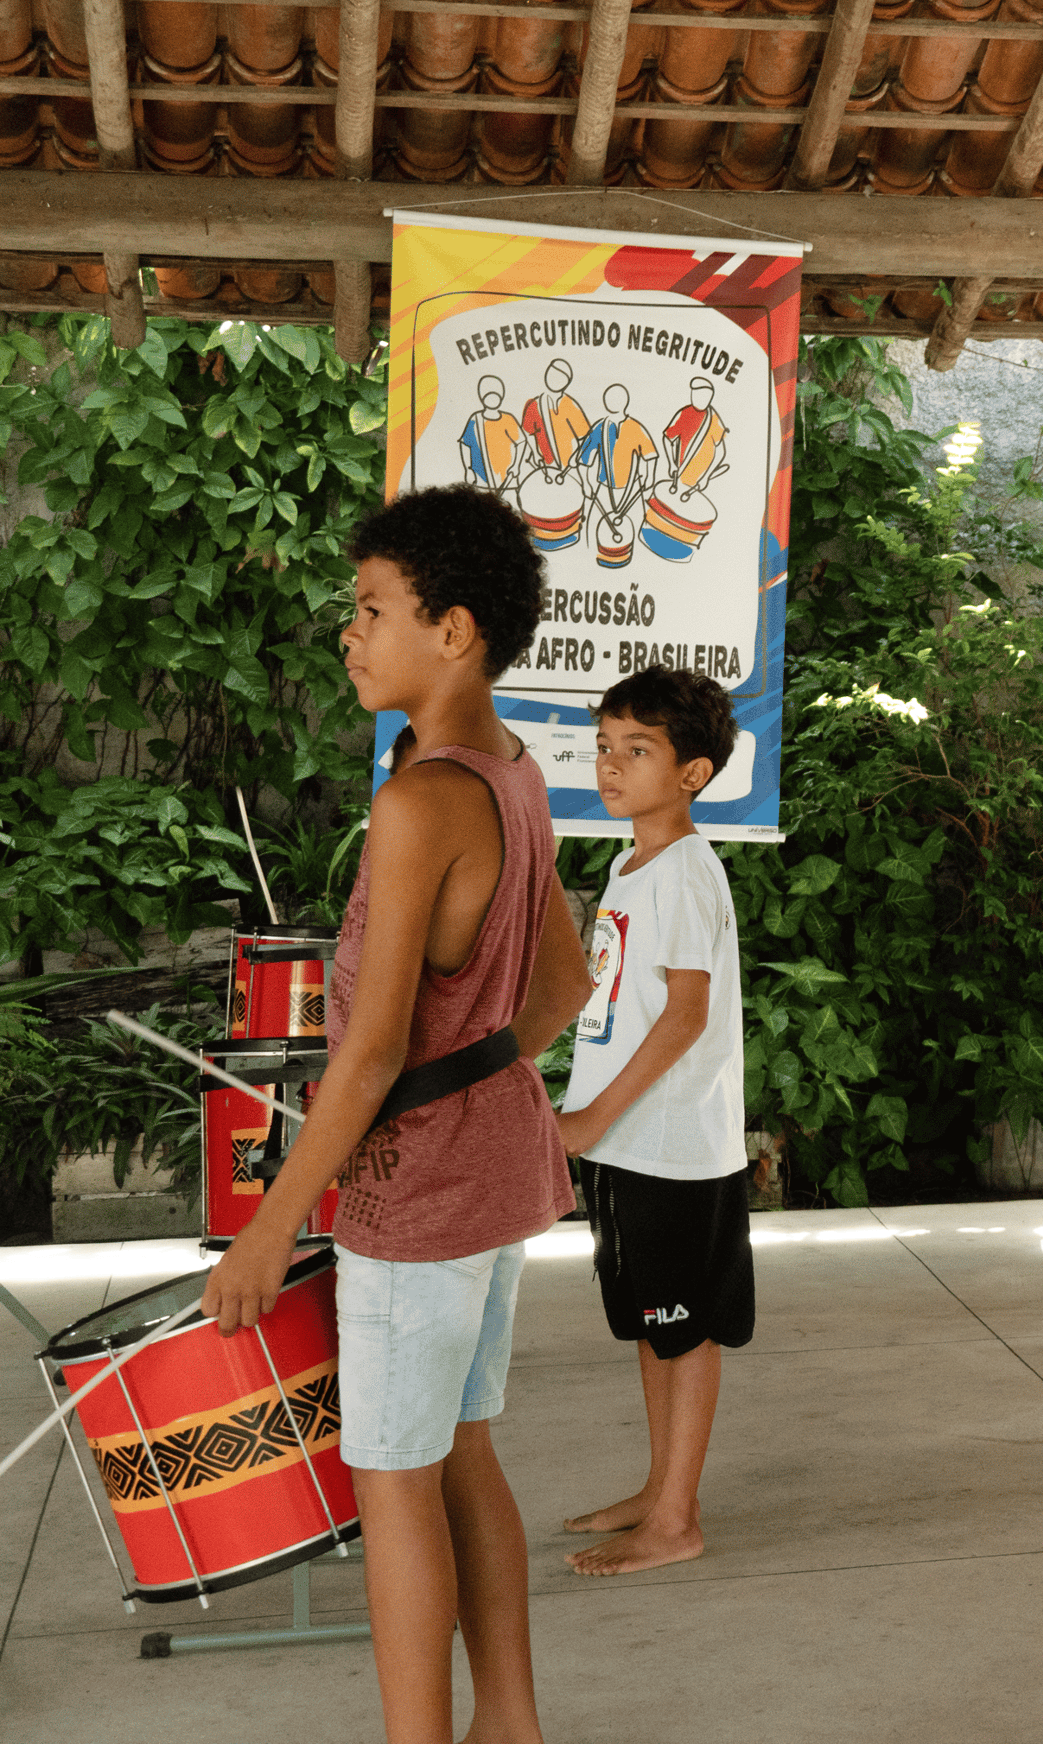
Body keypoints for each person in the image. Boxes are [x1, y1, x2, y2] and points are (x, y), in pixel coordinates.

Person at [199, 483, 594, 1744]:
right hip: (492, 1169)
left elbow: (365, 1061)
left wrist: (270, 1227)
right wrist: (476, 1079)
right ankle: (511, 1726)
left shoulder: (420, 801)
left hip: (418, 1197)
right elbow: (562, 985)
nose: (349, 634)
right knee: (462, 1451)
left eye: (372, 610)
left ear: (455, 631)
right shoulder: (515, 769)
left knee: (394, 1481)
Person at [556, 666, 753, 1577]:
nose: (611, 764)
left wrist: (594, 1113)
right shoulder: (630, 864)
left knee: (684, 1326)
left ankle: (677, 1518)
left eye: (638, 750)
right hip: (629, 1141)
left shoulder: (683, 871)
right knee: (650, 1320)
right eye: (604, 745)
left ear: (693, 773)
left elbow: (685, 1013)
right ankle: (661, 1487)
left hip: (670, 1145)